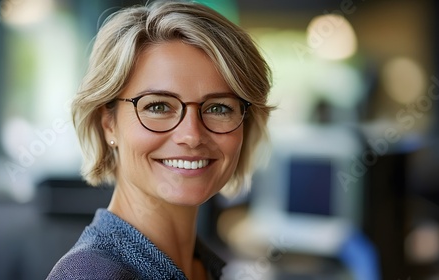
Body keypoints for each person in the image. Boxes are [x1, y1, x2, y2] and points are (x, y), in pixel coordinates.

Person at [47, 0, 272, 279]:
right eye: (158, 106)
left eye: (218, 108)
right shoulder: (91, 275)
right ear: (109, 124)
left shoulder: (202, 265)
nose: (191, 135)